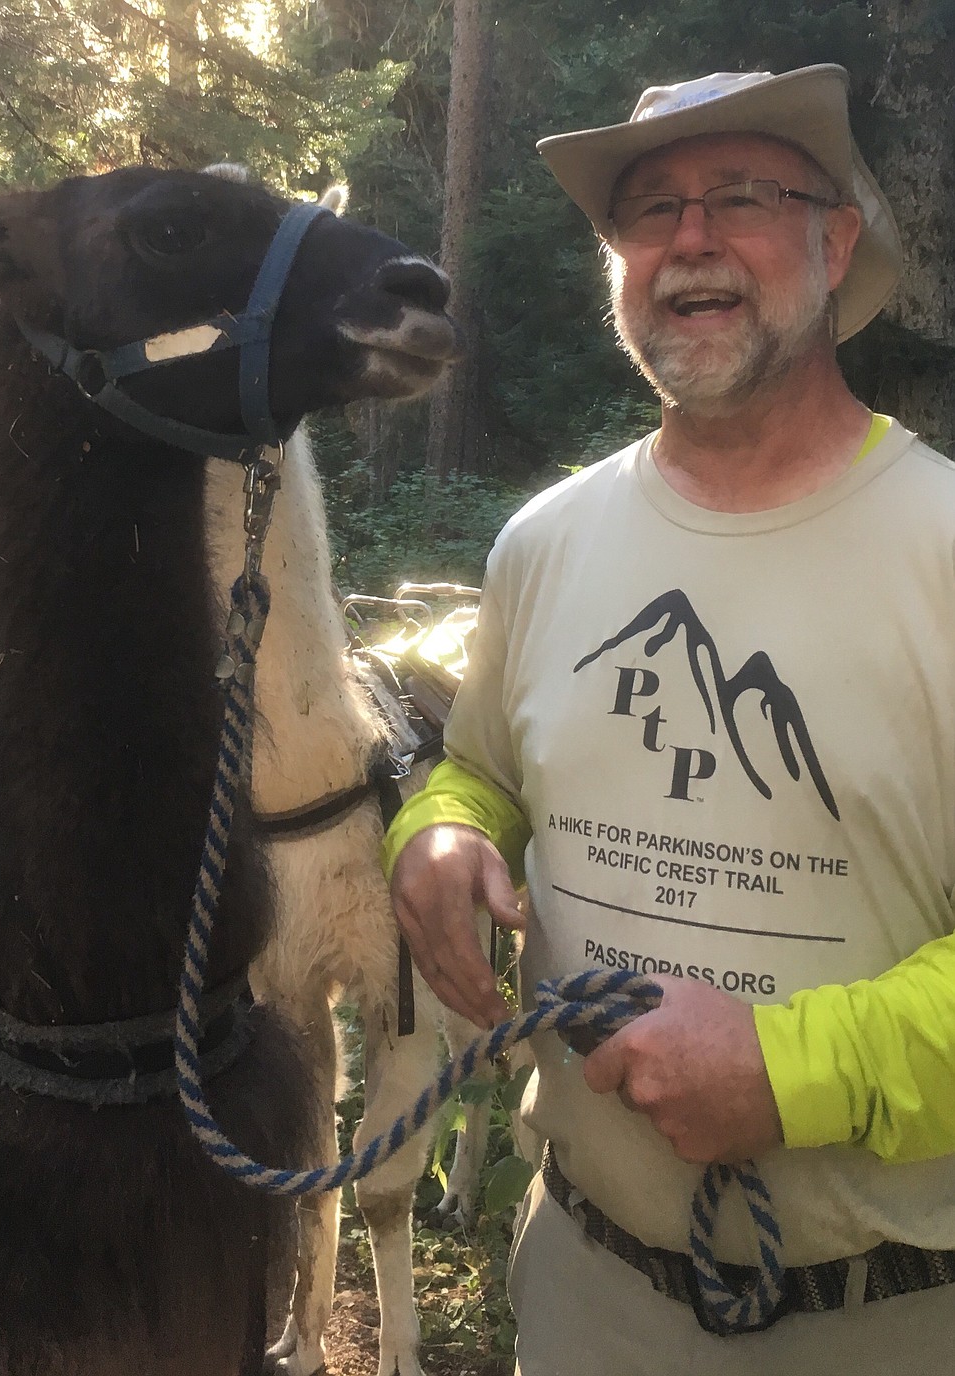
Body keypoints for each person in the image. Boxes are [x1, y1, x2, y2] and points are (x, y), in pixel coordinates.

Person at [383, 64, 955, 1374]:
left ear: (837, 238)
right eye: (648, 210)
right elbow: (478, 772)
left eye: (741, 195)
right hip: (582, 1298)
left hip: (895, 1321)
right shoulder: (543, 543)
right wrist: (430, 835)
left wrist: (792, 1069)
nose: (688, 238)